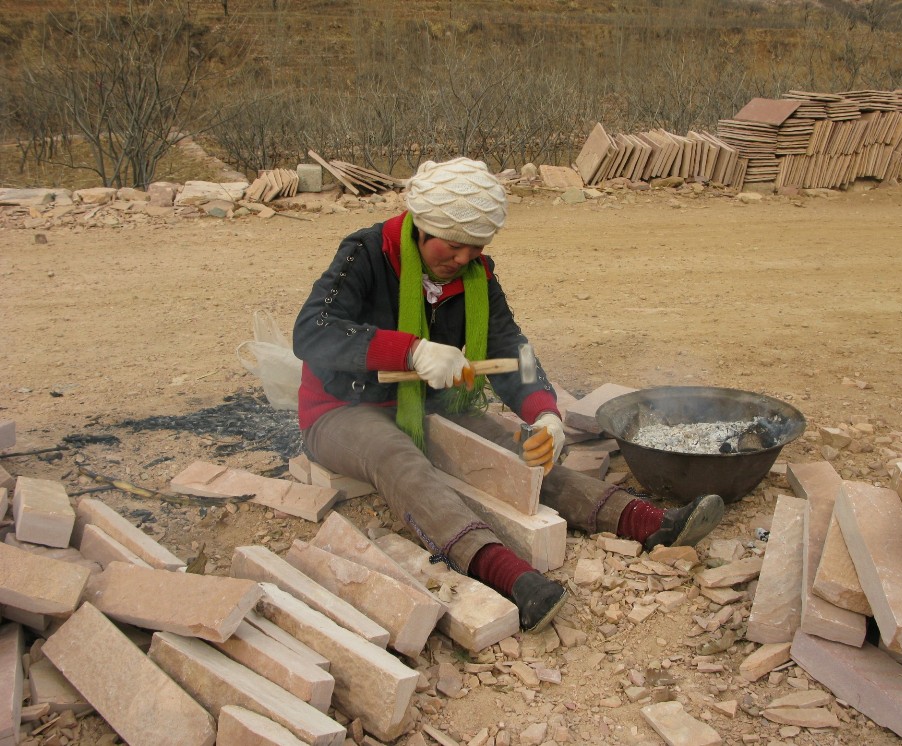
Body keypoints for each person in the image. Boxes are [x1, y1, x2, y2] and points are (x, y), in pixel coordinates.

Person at [293, 156, 724, 634]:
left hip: (428, 403)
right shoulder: (366, 253)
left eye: (475, 249)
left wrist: (545, 415)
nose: (462, 260)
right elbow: (313, 331)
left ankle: (649, 522)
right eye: (453, 246)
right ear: (422, 227)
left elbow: (510, 347)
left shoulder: (477, 274)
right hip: (341, 409)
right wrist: (410, 351)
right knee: (396, 457)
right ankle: (507, 576)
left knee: (512, 451)